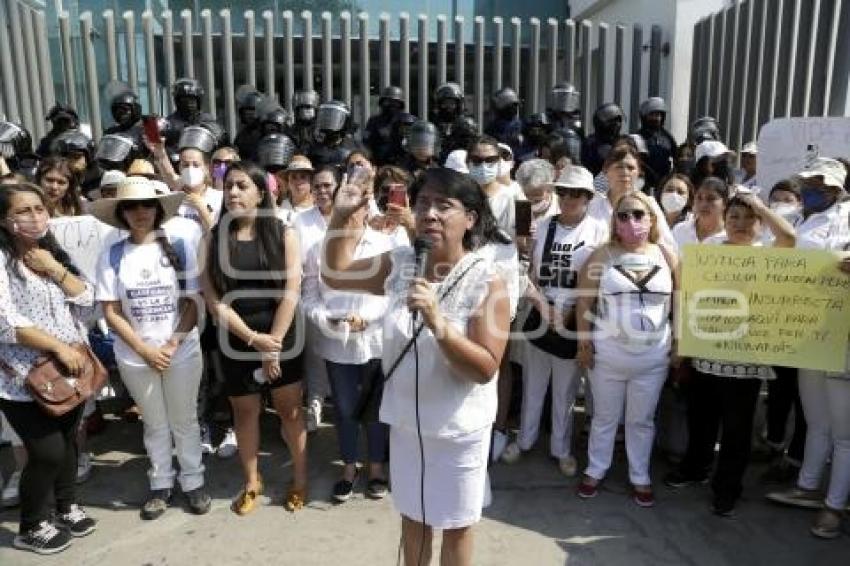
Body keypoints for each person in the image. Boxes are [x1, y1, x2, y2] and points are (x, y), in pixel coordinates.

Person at [323, 167, 509, 566]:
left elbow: (486, 367)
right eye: (423, 203)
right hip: (406, 424)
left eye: (445, 205)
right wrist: (340, 217)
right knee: (414, 518)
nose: (430, 214)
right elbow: (335, 273)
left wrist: (440, 323)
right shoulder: (402, 261)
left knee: (456, 524)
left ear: (471, 219)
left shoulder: (487, 279)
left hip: (459, 430)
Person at [667, 193, 795, 517]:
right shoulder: (708, 250)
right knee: (701, 418)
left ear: (760, 222)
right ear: (725, 220)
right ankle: (695, 468)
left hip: (745, 358)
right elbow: (684, 293)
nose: (740, 224)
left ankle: (727, 489)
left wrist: (761, 205)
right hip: (705, 351)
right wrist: (681, 343)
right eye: (734, 217)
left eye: (748, 218)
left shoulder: (766, 252)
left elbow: (790, 238)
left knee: (737, 429)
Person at [92, 176, 211, 520]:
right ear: (122, 213)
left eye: (147, 204)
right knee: (155, 422)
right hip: (135, 355)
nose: (140, 211)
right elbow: (111, 311)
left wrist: (173, 341)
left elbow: (193, 301)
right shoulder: (112, 254)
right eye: (131, 206)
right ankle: (160, 483)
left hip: (181, 350)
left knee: (185, 420)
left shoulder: (180, 246)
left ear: (158, 209)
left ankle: (193, 481)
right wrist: (144, 350)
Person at [201, 161, 306, 514]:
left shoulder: (283, 233)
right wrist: (253, 340)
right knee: (244, 413)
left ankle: (301, 480)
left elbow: (292, 290)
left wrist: (272, 345)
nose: (232, 192)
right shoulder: (211, 238)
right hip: (236, 338)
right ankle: (252, 481)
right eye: (229, 185)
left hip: (283, 335)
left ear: (261, 193)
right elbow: (214, 300)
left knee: (290, 411)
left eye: (242, 186)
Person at [0, 182, 97, 554]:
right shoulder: (3, 259)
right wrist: (56, 345)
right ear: (5, 219)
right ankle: (31, 525)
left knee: (69, 441)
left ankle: (65, 505)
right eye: (24, 211)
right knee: (46, 452)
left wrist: (55, 268)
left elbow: (88, 302)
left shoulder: (51, 251)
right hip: (21, 377)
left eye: (39, 208)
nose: (35, 216)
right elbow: (5, 322)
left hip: (67, 371)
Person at [575, 191, 678, 507]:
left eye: (638, 214)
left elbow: (684, 299)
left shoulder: (666, 254)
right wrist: (584, 344)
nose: (631, 221)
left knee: (641, 420)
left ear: (651, 218)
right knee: (604, 417)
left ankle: (639, 475)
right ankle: (596, 468)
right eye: (623, 215)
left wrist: (680, 344)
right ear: (614, 221)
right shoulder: (601, 254)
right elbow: (584, 301)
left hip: (653, 356)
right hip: (609, 354)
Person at [503, 166, 608, 476]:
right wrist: (542, 306)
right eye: (563, 192)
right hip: (541, 312)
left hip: (577, 317)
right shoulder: (542, 226)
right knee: (534, 384)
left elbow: (599, 280)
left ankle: (561, 449)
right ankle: (524, 440)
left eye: (576, 194)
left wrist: (571, 311)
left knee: (565, 390)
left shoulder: (599, 230)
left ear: (588, 197)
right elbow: (525, 272)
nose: (569, 199)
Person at [766, 157, 850, 538]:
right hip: (804, 331)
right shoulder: (800, 218)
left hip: (842, 337)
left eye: (822, 184)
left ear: (838, 188)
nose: (814, 189)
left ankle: (834, 506)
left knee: (844, 432)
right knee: (816, 421)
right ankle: (808, 485)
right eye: (810, 182)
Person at [301, 172, 395, 502]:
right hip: (335, 343)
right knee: (343, 409)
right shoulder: (317, 248)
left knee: (377, 407)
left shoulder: (385, 243)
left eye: (361, 200)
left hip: (375, 341)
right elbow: (309, 295)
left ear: (369, 203)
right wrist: (328, 319)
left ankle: (377, 467)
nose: (355, 208)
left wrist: (365, 319)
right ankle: (349, 466)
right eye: (348, 200)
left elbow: (393, 295)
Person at [293, 165, 338, 432]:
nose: (322, 191)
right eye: (317, 186)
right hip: (312, 295)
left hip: (348, 296)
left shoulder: (354, 214)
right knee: (315, 354)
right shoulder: (301, 220)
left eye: (327, 185)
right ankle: (316, 402)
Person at [587, 146, 676, 250]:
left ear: (638, 173)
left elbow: (668, 246)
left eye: (630, 168)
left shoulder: (649, 205)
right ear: (606, 171)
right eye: (619, 167)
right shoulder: (592, 206)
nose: (625, 172)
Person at [162, 78, 217, 162]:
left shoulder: (207, 120)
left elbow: (221, 145)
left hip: (203, 165)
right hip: (176, 166)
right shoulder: (169, 123)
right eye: (184, 101)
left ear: (198, 101)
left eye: (192, 100)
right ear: (177, 102)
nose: (189, 104)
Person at [670, 176, 729, 250]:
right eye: (699, 198)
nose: (703, 204)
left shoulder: (730, 237)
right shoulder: (679, 230)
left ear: (725, 203)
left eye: (711, 199)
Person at [636, 97, 677, 191]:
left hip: (664, 184)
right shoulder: (638, 136)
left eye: (658, 115)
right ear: (644, 116)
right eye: (652, 115)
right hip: (643, 185)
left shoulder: (667, 137)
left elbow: (677, 158)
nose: (656, 118)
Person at [307, 100, 358, 168]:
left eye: (333, 118)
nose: (328, 122)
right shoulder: (311, 147)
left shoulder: (355, 147)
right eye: (325, 119)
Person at [364, 86, 405, 166]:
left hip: (402, 165)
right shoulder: (374, 121)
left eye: (395, 103)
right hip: (379, 164)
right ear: (382, 103)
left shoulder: (405, 121)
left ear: (400, 105)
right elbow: (366, 143)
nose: (391, 105)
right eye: (388, 102)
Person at [581, 103, 624, 175]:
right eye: (613, 121)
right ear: (600, 123)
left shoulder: (623, 141)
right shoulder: (590, 143)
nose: (617, 124)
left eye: (619, 120)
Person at [484, 87, 523, 156]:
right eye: (513, 106)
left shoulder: (521, 125)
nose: (515, 109)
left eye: (515, 106)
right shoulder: (493, 127)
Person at [233, 86, 265, 162]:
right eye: (247, 111)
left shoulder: (266, 131)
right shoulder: (241, 136)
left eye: (253, 110)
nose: (250, 114)